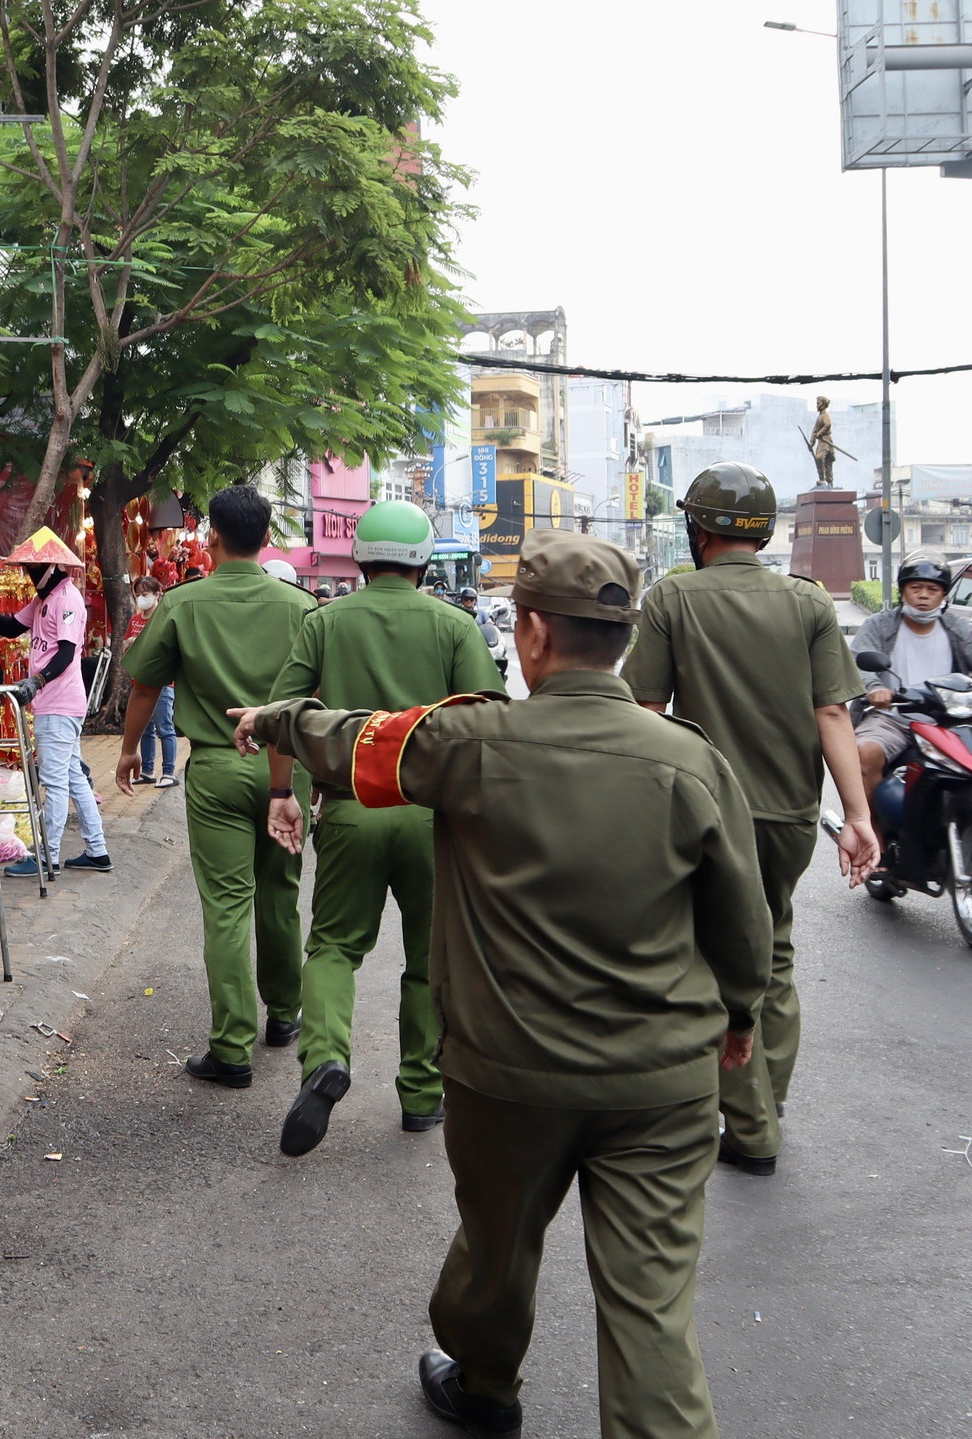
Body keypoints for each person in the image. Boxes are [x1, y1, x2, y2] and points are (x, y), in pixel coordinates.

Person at [231, 529, 770, 1439]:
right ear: (624, 639)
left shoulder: (466, 741)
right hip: (661, 1085)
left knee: (497, 1243)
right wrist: (741, 1013)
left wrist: (275, 719)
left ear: (529, 634)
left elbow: (351, 741)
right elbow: (742, 919)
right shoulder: (690, 758)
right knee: (652, 1307)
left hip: (508, 1073)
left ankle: (484, 1384)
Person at [621, 461, 874, 1180]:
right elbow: (833, 712)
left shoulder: (672, 599)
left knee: (709, 958)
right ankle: (771, 1093)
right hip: (791, 815)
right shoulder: (809, 603)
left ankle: (752, 1125)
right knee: (774, 954)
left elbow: (645, 714)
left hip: (702, 812)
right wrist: (855, 815)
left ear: (698, 530)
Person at [262, 501, 499, 1155]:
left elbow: (286, 715)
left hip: (349, 808)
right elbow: (487, 727)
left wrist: (283, 793)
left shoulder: (324, 621)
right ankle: (422, 1097)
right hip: (432, 818)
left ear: (360, 558)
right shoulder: (455, 626)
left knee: (334, 947)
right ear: (425, 559)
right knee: (428, 959)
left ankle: (325, 1061)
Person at [115, 486, 315, 1086]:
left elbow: (145, 686)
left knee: (228, 906)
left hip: (217, 769)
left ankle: (232, 1050)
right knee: (280, 892)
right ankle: (285, 1014)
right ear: (267, 536)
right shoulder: (299, 607)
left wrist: (128, 750)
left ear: (214, 538)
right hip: (287, 766)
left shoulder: (183, 603)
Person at [0, 528, 112, 876]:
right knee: (73, 778)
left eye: (32, 567)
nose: (28, 573)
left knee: (53, 782)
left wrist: (37, 682)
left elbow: (67, 653)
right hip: (53, 702)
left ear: (50, 566)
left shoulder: (66, 599)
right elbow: (11, 628)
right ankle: (97, 850)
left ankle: (48, 856)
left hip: (58, 702)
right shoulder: (42, 600)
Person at [849, 557, 972, 777]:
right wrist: (875, 688)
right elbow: (858, 661)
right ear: (902, 592)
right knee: (865, 753)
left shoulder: (958, 627)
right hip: (892, 717)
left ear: (943, 594)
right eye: (915, 588)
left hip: (952, 720)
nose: (923, 595)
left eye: (933, 589)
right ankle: (867, 813)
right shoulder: (879, 625)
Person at [122, 576, 177, 788]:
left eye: (145, 594)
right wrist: (129, 644)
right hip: (139, 680)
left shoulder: (162, 618)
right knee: (144, 728)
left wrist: (140, 643)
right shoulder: (135, 620)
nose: (141, 598)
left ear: (157, 594)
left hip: (161, 682)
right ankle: (146, 770)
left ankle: (169, 772)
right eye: (138, 594)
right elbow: (125, 645)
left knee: (165, 727)